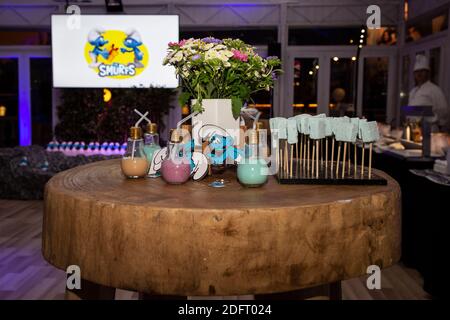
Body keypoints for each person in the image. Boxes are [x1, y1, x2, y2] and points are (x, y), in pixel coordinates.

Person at [408, 54, 449, 132]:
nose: (419, 74)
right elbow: (410, 112)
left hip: (429, 129)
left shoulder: (435, 89)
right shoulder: (413, 92)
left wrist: (425, 114)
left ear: (427, 73)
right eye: (417, 72)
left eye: (422, 71)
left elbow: (444, 112)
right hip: (413, 129)